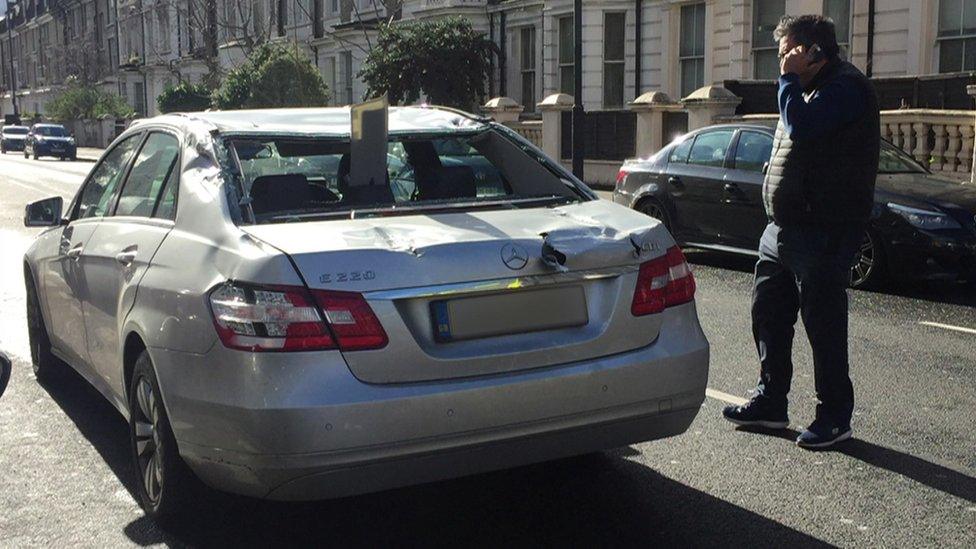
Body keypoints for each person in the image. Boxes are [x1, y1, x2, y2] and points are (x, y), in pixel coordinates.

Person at [722, 14, 880, 449]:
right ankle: (771, 401)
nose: (781, 61)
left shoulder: (846, 87)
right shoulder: (802, 88)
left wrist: (787, 81)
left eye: (788, 51)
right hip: (783, 227)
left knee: (823, 324)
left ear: (813, 51)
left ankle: (834, 417)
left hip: (825, 228)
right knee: (768, 314)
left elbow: (803, 129)